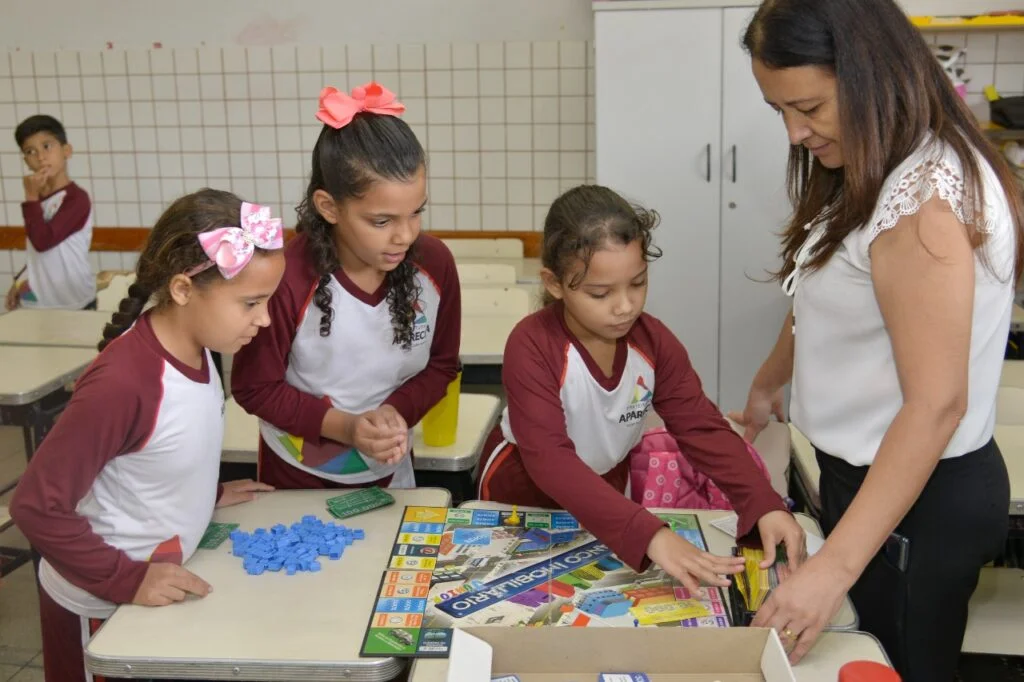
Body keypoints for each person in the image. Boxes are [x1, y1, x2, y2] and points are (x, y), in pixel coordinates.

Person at [728, 1, 1020, 678]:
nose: (797, 133)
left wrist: (833, 568)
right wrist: (776, 377)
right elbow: (826, 288)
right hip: (872, 486)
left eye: (810, 107)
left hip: (918, 498)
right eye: (780, 112)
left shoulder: (921, 206)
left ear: (870, 76)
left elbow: (936, 405)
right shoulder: (879, 161)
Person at [9, 189, 285, 682]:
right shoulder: (123, 383)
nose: (263, 319)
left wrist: (206, 493)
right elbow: (34, 505)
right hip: (100, 605)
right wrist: (127, 578)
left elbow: (151, 455)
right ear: (182, 289)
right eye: (251, 303)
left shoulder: (200, 347)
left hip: (152, 591)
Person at [476, 185, 806, 591]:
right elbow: (550, 460)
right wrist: (650, 534)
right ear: (555, 283)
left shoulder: (653, 342)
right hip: (523, 492)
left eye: (638, 283)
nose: (625, 306)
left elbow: (701, 427)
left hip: (607, 489)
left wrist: (763, 502)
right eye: (601, 293)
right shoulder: (532, 344)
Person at [232, 83, 461, 490]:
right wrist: (345, 427)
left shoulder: (435, 265)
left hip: (389, 465)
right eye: (381, 221)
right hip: (299, 475)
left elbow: (442, 365)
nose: (405, 236)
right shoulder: (287, 277)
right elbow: (254, 387)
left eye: (416, 213)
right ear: (329, 207)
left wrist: (395, 412)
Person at [6, 114, 95, 311]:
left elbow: (43, 241)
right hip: (38, 302)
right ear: (26, 161)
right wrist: (20, 282)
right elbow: (37, 255)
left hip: (74, 301)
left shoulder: (76, 198)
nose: (40, 157)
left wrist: (30, 197)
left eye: (47, 146)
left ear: (66, 151)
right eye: (30, 151)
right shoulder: (37, 203)